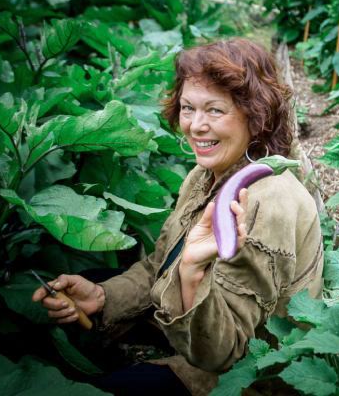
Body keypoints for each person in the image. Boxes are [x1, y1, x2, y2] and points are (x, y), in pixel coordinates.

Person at [32, 38, 323, 396]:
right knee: (92, 285)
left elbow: (223, 353)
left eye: (215, 110)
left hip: (245, 373)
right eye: (188, 108)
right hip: (200, 324)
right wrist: (104, 296)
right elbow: (160, 264)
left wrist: (189, 274)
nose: (196, 125)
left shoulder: (265, 200)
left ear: (255, 114)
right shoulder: (206, 175)